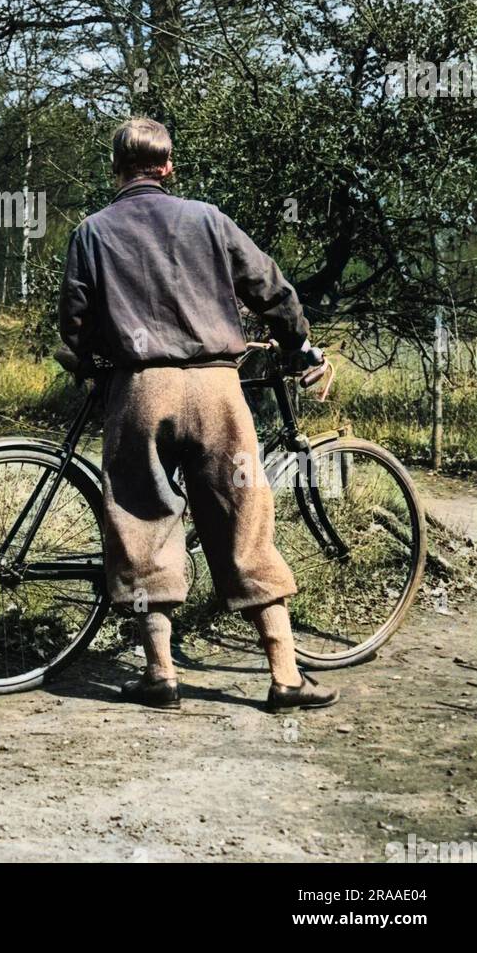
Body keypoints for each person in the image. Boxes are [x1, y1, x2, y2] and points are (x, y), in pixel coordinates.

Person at [58, 118, 339, 712]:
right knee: (245, 520)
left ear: (117, 170)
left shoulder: (92, 231)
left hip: (141, 393)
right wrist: (298, 343)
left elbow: (74, 325)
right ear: (168, 167)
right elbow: (269, 286)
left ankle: (160, 673)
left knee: (142, 522)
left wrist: (85, 366)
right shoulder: (208, 219)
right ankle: (285, 674)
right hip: (218, 391)